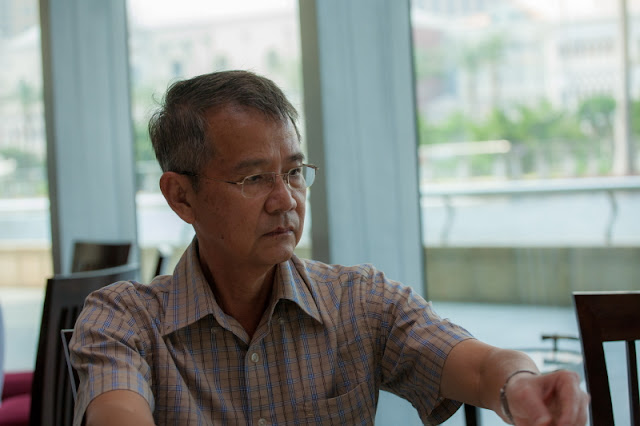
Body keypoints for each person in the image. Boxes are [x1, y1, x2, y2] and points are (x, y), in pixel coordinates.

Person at [70, 70, 589, 426]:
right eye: (254, 178)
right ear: (181, 197)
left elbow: (478, 366)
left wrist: (520, 385)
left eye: (294, 172)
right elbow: (119, 414)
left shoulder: (359, 301)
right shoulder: (125, 321)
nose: (285, 200)